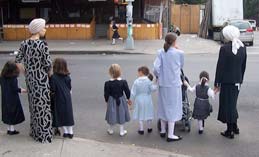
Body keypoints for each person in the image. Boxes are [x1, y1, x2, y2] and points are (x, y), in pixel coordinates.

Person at [15, 18, 52, 143]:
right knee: (43, 106)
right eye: (43, 27)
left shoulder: (24, 43)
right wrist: (50, 76)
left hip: (30, 79)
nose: (45, 29)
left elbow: (18, 60)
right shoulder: (42, 45)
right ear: (37, 30)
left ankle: (34, 131)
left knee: (33, 106)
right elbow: (48, 65)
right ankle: (44, 135)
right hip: (41, 80)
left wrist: (25, 71)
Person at [214, 25, 247, 139]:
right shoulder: (242, 47)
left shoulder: (224, 49)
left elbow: (220, 68)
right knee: (232, 104)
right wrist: (240, 79)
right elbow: (243, 66)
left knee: (228, 106)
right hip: (237, 81)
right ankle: (235, 127)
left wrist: (217, 83)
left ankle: (230, 131)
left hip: (227, 82)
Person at [154, 33, 184, 142]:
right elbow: (181, 66)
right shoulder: (179, 53)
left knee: (163, 105)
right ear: (174, 42)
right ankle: (170, 134)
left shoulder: (160, 52)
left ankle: (163, 130)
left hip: (163, 83)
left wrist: (159, 76)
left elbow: (156, 68)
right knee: (173, 108)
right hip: (174, 84)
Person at [50, 58, 74, 139]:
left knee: (60, 115)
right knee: (68, 114)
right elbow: (69, 87)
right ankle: (70, 131)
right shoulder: (67, 76)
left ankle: (65, 132)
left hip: (58, 98)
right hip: (67, 97)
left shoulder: (53, 77)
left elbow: (52, 89)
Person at [0, 61, 27, 135]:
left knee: (7, 113)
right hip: (13, 98)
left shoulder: (2, 77)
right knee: (13, 113)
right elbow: (15, 89)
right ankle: (11, 130)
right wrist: (23, 90)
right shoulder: (13, 78)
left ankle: (9, 129)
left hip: (5, 98)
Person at [104, 64, 131, 137]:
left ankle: (111, 129)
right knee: (121, 113)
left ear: (110, 72)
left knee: (111, 114)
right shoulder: (123, 82)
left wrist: (106, 101)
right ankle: (122, 131)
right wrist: (128, 99)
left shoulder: (107, 83)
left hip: (111, 100)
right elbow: (127, 91)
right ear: (120, 72)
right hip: (121, 99)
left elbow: (106, 94)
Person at [131, 66, 157, 135]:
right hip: (147, 98)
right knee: (148, 113)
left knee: (140, 114)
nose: (138, 73)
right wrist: (155, 83)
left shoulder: (136, 81)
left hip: (139, 99)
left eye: (138, 72)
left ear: (141, 72)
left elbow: (133, 92)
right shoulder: (149, 81)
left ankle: (141, 129)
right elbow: (153, 89)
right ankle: (149, 128)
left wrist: (130, 100)